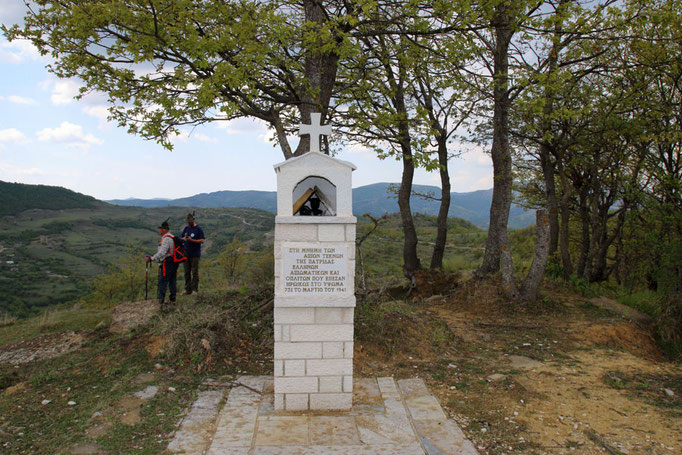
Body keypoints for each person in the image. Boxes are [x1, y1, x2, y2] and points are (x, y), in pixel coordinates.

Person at [145, 218, 178, 308]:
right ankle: (172, 299)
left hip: (167, 262)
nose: (159, 231)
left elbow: (162, 252)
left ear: (164, 230)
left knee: (162, 281)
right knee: (172, 280)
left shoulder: (166, 239)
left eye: (160, 229)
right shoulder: (172, 236)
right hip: (174, 262)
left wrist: (151, 258)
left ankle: (161, 301)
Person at [180, 212, 205, 295]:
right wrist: (183, 239)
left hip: (195, 254)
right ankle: (187, 289)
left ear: (192, 221)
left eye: (189, 222)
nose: (188, 223)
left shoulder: (198, 229)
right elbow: (181, 237)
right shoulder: (186, 229)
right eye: (187, 222)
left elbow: (202, 240)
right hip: (186, 254)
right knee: (186, 272)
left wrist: (192, 240)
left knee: (194, 272)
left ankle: (195, 290)